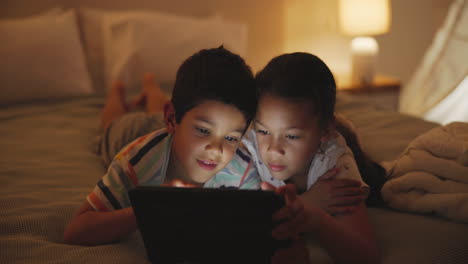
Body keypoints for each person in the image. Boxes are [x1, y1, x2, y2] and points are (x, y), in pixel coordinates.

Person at [63, 46, 259, 246]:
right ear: (172, 118)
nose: (216, 150)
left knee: (156, 113)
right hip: (130, 133)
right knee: (112, 123)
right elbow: (75, 231)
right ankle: (117, 90)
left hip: (171, 129)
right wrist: (150, 208)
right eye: (203, 130)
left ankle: (149, 85)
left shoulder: (242, 171)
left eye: (231, 138)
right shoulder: (134, 162)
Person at [242, 52, 385, 263]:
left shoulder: (333, 163)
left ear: (325, 129)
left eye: (291, 136)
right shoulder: (247, 148)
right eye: (263, 131)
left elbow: (366, 256)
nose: (273, 149)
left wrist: (317, 220)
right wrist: (309, 202)